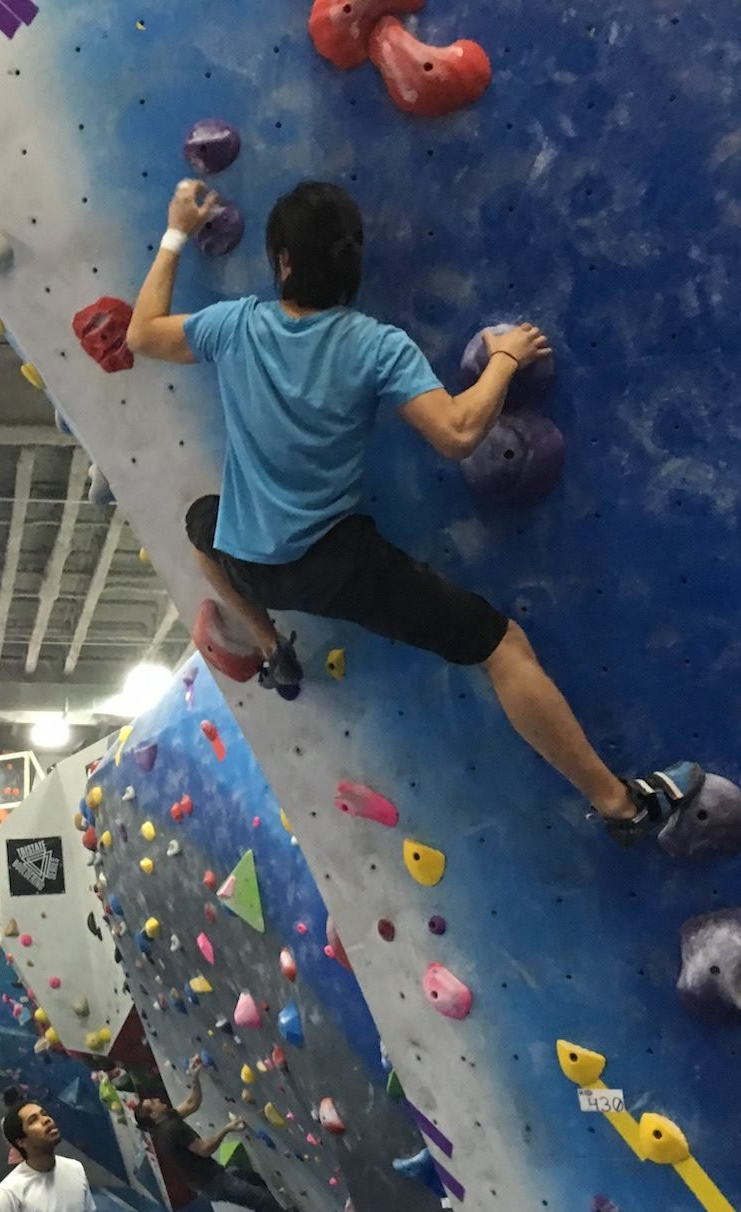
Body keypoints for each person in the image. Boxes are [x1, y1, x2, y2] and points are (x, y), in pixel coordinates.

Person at [127, 177, 707, 842]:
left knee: (202, 525)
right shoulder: (375, 345)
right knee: (501, 647)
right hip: (335, 569)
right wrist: (505, 362)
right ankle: (620, 806)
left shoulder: (236, 325)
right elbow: (459, 434)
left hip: (251, 563)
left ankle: (270, 646)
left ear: (282, 260)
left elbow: (142, 332)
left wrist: (176, 230)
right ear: (354, 262)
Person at [134, 1058, 318, 1212]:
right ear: (153, 1115)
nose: (158, 1100)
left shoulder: (165, 1120)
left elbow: (191, 1103)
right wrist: (227, 1129)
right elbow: (204, 1149)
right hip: (211, 1182)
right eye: (153, 1102)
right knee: (259, 1200)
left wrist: (195, 1078)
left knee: (253, 1180)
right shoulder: (170, 1130)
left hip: (211, 1176)